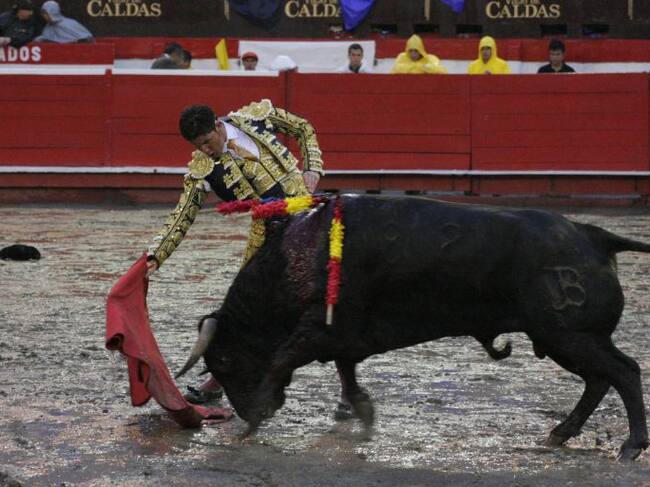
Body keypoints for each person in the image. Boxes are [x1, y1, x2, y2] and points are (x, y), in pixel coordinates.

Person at [146, 100, 328, 405]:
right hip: (268, 236)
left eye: (207, 142)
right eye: (198, 146)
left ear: (218, 126)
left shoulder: (254, 117)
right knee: (243, 309)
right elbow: (183, 215)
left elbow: (302, 127)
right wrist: (156, 255)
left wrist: (312, 167)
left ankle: (349, 391)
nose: (205, 150)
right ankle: (217, 381)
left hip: (309, 217)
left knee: (333, 295)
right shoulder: (203, 168)